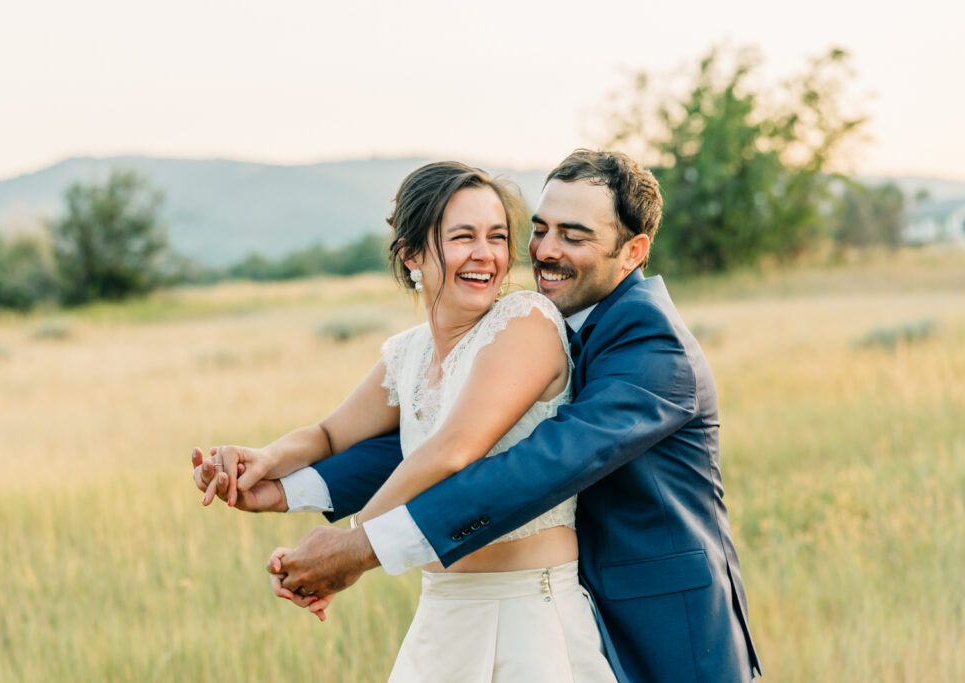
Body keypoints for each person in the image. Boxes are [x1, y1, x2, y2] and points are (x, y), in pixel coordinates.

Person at [196, 149, 762, 682]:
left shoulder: (651, 343)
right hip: (481, 609)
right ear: (410, 254)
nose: (544, 249)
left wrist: (355, 546)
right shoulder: (486, 336)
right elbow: (421, 441)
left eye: (574, 235)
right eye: (541, 228)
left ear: (633, 252)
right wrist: (281, 481)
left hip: (661, 628)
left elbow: (531, 465)